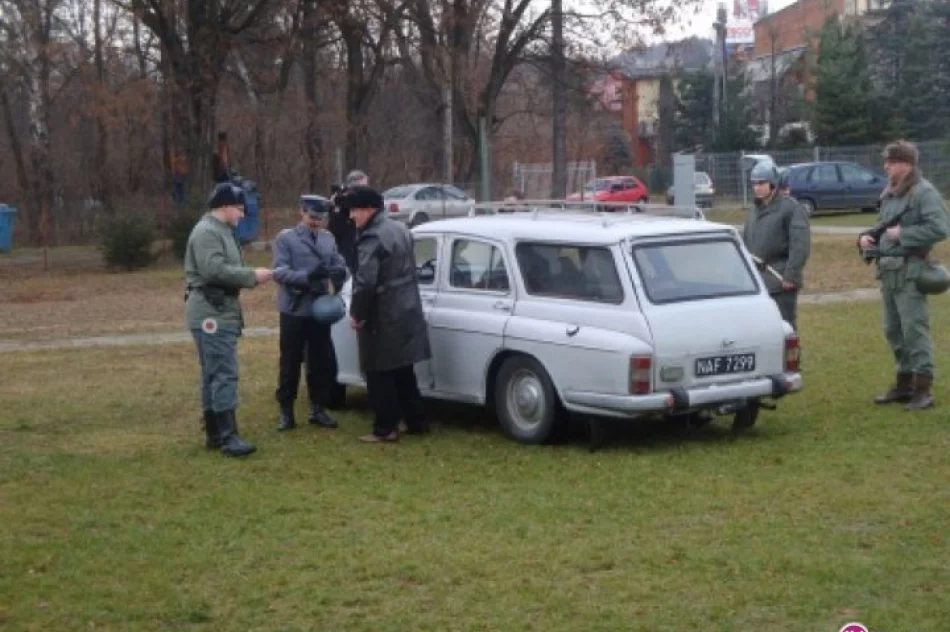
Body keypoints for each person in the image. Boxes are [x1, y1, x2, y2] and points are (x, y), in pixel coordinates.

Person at [858, 140, 950, 410]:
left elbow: (940, 228)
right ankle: (904, 383)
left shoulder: (923, 192)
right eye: (886, 161)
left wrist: (905, 234)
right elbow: (884, 224)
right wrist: (868, 236)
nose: (886, 166)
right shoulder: (891, 192)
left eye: (891, 162)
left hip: (911, 272)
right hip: (888, 271)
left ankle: (923, 390)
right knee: (893, 330)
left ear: (906, 164)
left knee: (914, 330)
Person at [184, 182, 272, 457]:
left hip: (218, 308)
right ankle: (227, 437)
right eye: (239, 209)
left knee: (213, 372)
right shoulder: (208, 232)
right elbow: (213, 270)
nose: (242, 215)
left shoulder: (221, 231)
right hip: (212, 312)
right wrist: (251, 276)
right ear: (224, 206)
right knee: (223, 373)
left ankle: (215, 433)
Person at [347, 186, 432, 443]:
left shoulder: (372, 237)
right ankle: (416, 420)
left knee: (377, 370)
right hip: (408, 306)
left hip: (382, 311)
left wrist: (357, 313)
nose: (352, 216)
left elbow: (365, 281)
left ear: (369, 209)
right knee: (403, 369)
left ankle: (385, 427)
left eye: (355, 210)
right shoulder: (400, 228)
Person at [271, 196, 349, 432]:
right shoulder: (286, 238)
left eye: (320, 218)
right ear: (302, 212)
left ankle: (318, 408)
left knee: (319, 360)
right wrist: (307, 276)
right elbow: (279, 272)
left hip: (319, 309)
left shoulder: (328, 238)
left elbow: (339, 264)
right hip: (294, 308)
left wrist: (340, 272)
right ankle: (286, 411)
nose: (316, 222)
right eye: (312, 217)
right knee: (290, 361)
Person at [742, 161, 811, 331]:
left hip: (780, 280)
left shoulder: (791, 209)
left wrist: (791, 275)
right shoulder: (753, 211)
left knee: (784, 328)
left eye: (761, 183)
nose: (757, 188)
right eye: (754, 184)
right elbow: (746, 243)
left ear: (773, 184)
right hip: (757, 281)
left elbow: (800, 245)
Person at [328, 169, 368, 271]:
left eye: (365, 187)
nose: (364, 191)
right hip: (343, 240)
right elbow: (332, 224)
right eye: (361, 187)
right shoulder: (340, 199)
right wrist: (335, 204)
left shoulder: (366, 200)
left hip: (359, 241)